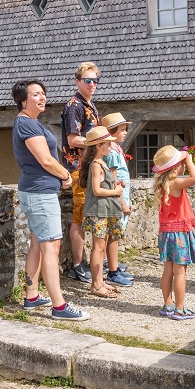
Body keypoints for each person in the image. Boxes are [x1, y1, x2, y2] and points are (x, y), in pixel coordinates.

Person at [11, 79, 90, 321]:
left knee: (37, 242)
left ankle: (32, 296)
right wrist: (66, 175)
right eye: (36, 94)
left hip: (38, 191)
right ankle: (59, 305)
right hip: (40, 193)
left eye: (43, 93)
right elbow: (45, 160)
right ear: (24, 101)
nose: (42, 97)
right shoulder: (26, 124)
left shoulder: (32, 123)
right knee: (51, 247)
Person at [152, 144, 195, 320]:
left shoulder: (163, 184)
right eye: (181, 163)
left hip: (166, 232)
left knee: (168, 270)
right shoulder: (176, 183)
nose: (184, 165)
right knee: (180, 271)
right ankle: (180, 309)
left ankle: (168, 304)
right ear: (175, 167)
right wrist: (189, 160)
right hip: (179, 233)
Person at [60, 62, 101, 283]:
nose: (92, 84)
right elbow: (73, 139)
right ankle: (77, 265)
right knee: (80, 216)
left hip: (89, 168)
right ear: (78, 82)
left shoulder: (90, 105)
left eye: (95, 80)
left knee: (89, 215)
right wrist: (98, 143)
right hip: (77, 169)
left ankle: (90, 261)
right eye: (88, 80)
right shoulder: (74, 105)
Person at [80, 125, 126, 299]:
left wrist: (116, 185)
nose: (110, 146)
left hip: (105, 210)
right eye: (107, 143)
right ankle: (96, 284)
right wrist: (115, 192)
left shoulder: (101, 164)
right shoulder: (96, 166)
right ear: (98, 146)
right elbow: (97, 190)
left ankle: (100, 281)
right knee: (98, 248)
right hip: (99, 211)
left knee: (101, 247)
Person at [100, 112, 134, 286]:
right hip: (116, 199)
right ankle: (112, 271)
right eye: (122, 130)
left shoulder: (115, 149)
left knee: (115, 234)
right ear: (112, 132)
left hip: (120, 197)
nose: (125, 132)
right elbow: (114, 179)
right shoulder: (112, 152)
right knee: (114, 234)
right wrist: (122, 203)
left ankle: (114, 268)